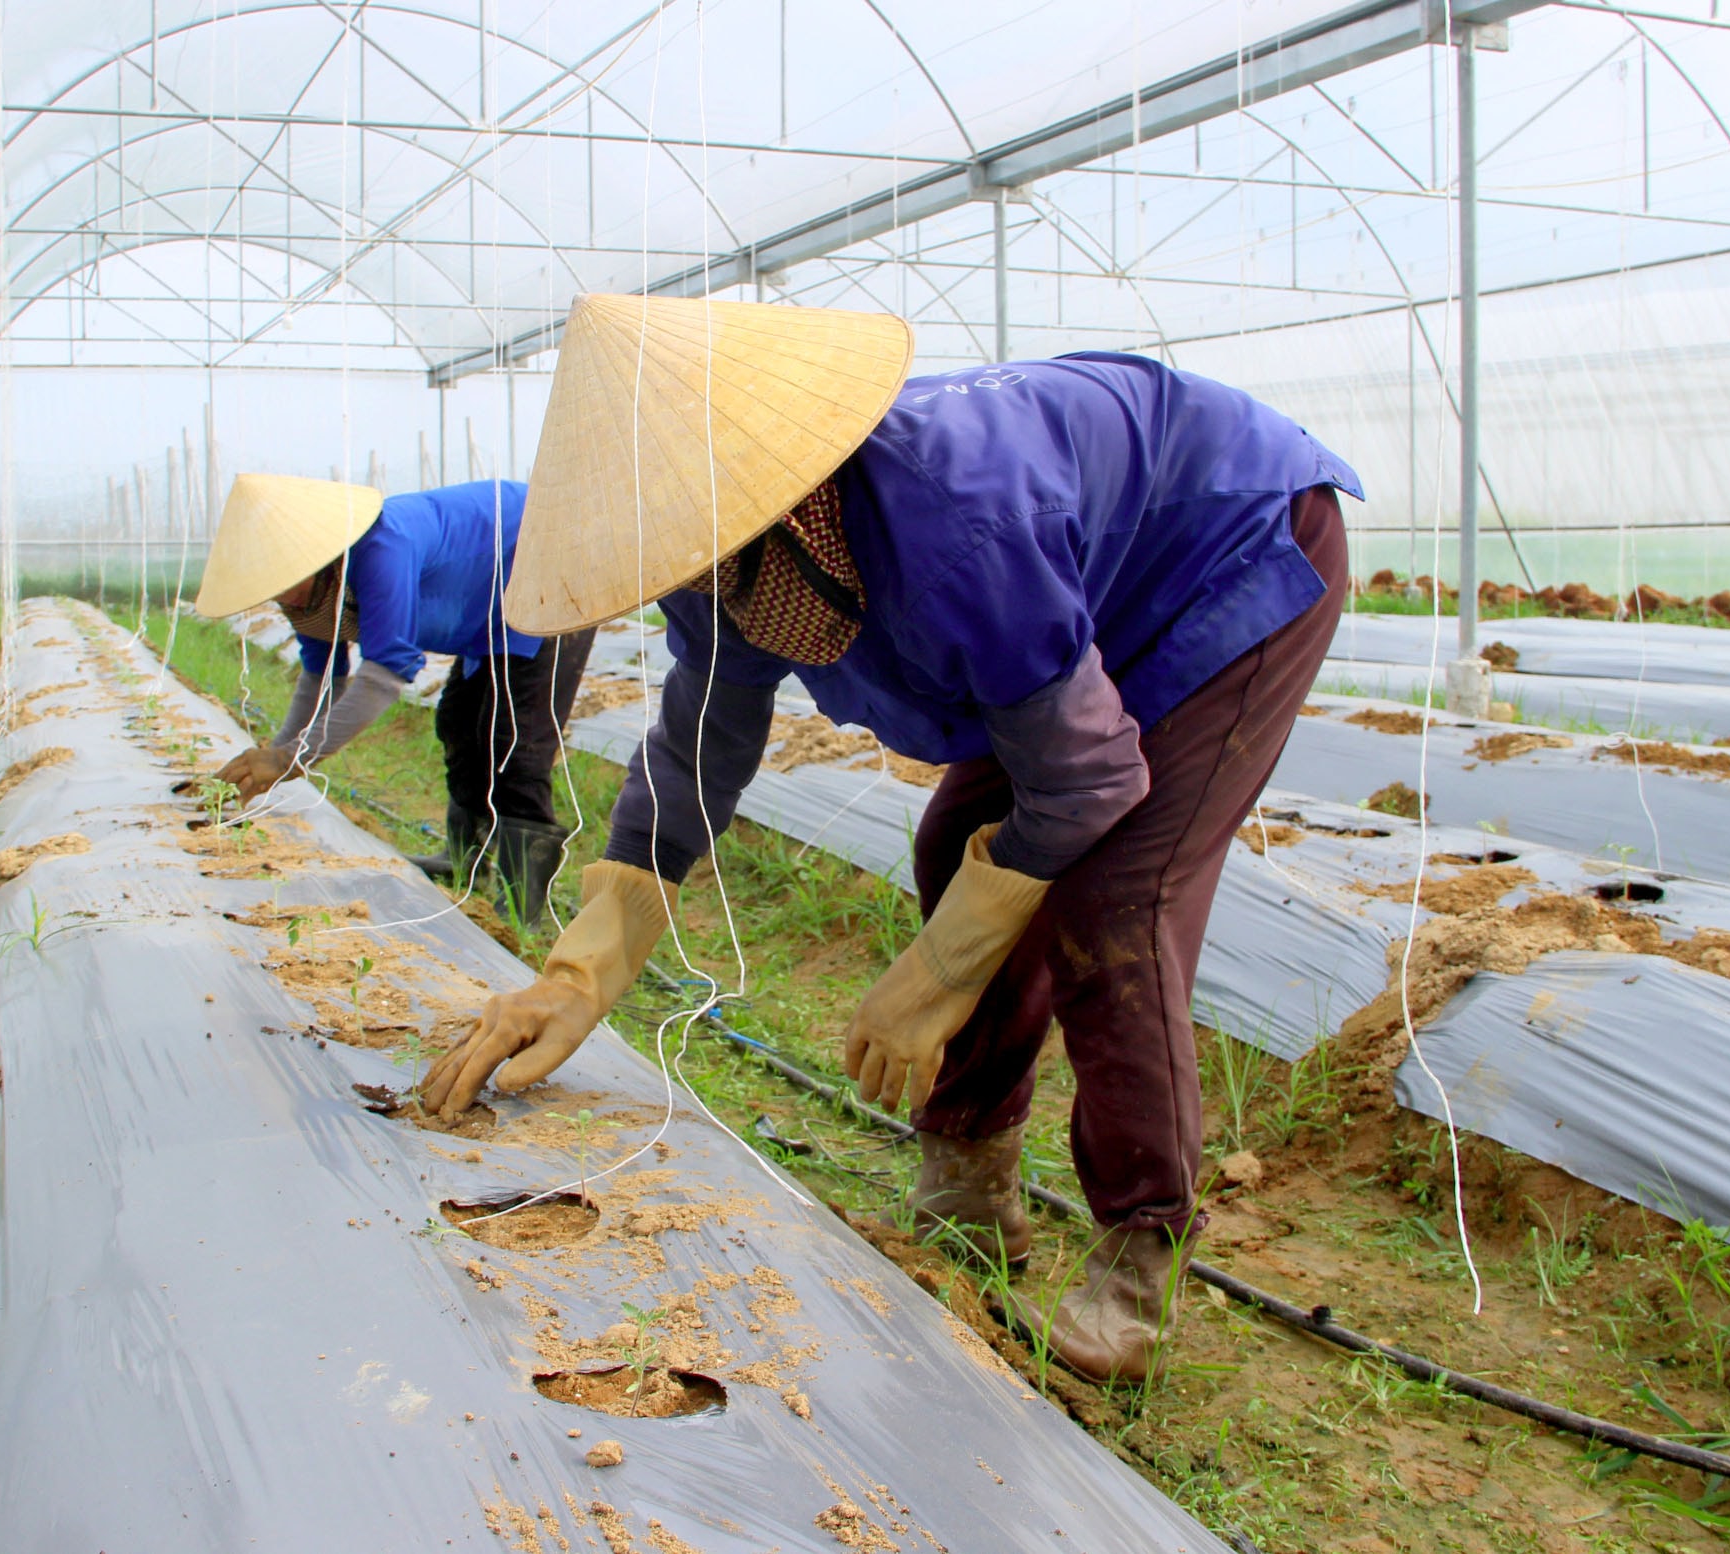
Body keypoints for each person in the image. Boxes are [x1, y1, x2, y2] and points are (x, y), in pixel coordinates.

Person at [420, 294, 1358, 1384]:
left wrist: (937, 971)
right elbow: (698, 743)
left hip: (1231, 551)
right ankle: (971, 1174)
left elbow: (1090, 777)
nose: (682, 586)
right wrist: (582, 969)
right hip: (1082, 589)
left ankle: (1139, 1249)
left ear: (771, 510)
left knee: (1116, 902)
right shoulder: (720, 551)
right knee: (954, 840)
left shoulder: (955, 525)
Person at [193, 472, 592, 925]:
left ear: (311, 558)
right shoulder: (309, 596)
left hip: (549, 561)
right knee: (459, 723)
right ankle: (467, 863)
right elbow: (322, 675)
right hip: (485, 604)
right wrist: (280, 754)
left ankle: (524, 913)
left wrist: (291, 759)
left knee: (513, 744)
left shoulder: (381, 548)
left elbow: (385, 674)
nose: (279, 596)